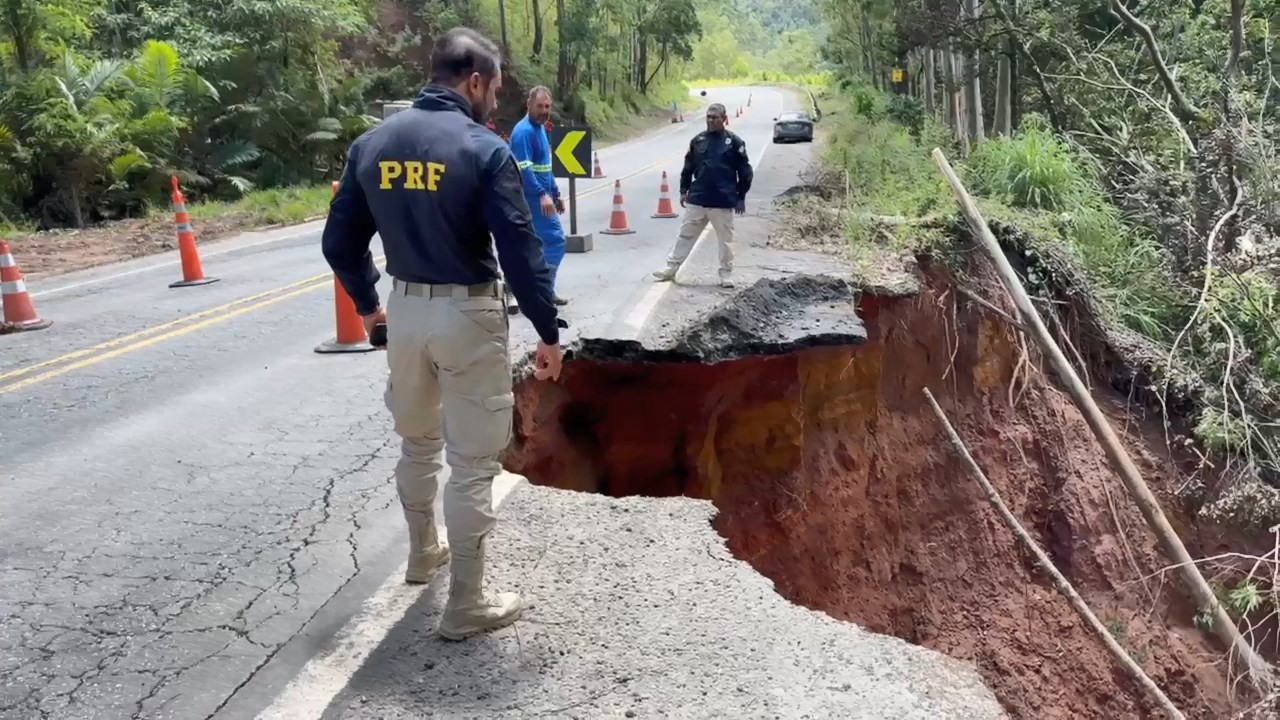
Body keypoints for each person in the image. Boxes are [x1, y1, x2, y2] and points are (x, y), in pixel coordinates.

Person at [321, 26, 563, 642]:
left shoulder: (371, 144)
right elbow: (521, 252)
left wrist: (370, 307)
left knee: (417, 444)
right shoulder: (484, 149)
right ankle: (467, 603)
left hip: (404, 312)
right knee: (474, 461)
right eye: (497, 87)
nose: (497, 100)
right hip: (467, 315)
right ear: (475, 80)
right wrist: (547, 333)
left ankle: (423, 553)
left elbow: (339, 243)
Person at [652, 103, 754, 288]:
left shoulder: (734, 143)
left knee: (725, 241)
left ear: (724, 119)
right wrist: (684, 191)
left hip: (722, 201)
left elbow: (745, 171)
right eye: (708, 116)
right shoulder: (698, 141)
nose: (711, 120)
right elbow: (688, 168)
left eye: (715, 117)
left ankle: (725, 273)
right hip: (698, 199)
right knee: (685, 236)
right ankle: (671, 268)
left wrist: (741, 196)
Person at [509, 86, 570, 306]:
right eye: (539, 106)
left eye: (547, 106)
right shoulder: (523, 132)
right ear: (528, 105)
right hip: (531, 198)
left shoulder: (541, 129)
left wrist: (555, 192)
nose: (544, 111)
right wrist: (543, 194)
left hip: (542, 196)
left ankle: (538, 290)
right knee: (555, 241)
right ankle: (541, 291)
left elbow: (544, 167)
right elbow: (525, 170)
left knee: (536, 245)